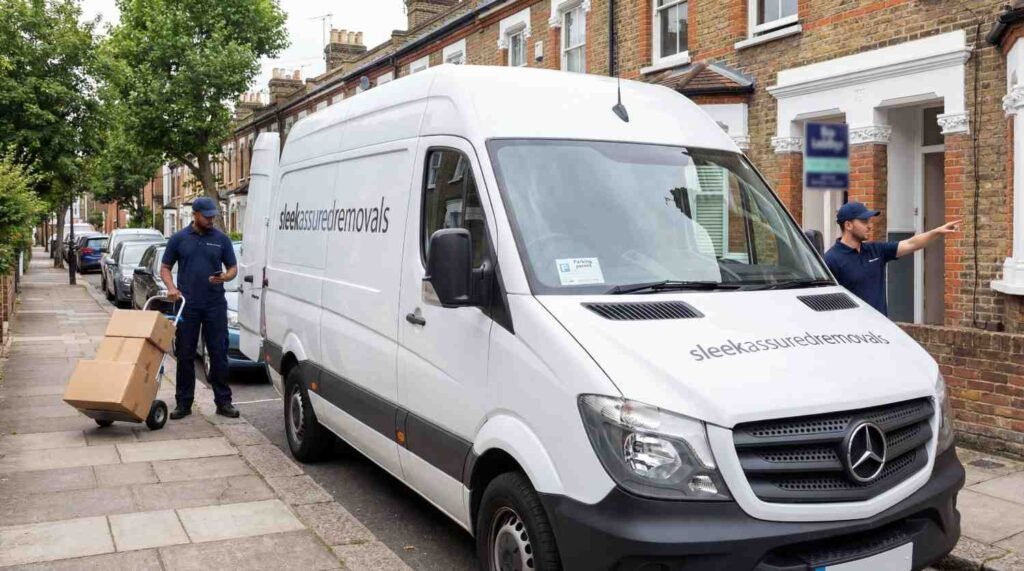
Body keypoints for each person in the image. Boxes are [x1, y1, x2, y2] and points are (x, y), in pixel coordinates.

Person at [159, 197, 240, 419]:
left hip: (214, 304)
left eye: (213, 215)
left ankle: (223, 402)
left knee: (218, 353)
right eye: (207, 216)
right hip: (188, 305)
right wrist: (171, 287)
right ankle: (183, 403)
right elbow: (165, 268)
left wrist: (224, 277)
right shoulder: (178, 239)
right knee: (185, 355)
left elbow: (233, 268)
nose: (211, 219)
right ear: (194, 215)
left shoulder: (221, 239)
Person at [824, 201, 959, 316]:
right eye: (864, 221)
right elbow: (828, 304)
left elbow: (910, 244)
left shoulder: (876, 250)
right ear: (848, 225)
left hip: (882, 329)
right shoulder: (831, 259)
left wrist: (937, 232)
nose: (870, 226)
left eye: (869, 221)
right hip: (854, 333)